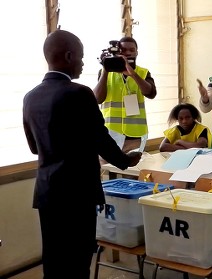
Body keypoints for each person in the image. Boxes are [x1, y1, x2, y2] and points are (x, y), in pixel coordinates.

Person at [22, 30, 142, 279]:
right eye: (81, 57)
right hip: (76, 193)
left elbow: (35, 147)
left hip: (47, 192)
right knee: (78, 260)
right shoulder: (78, 93)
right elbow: (99, 138)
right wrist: (125, 160)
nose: (83, 63)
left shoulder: (30, 97)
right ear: (68, 56)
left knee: (54, 260)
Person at [93, 36, 157, 152]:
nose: (128, 53)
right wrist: (106, 69)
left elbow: (151, 93)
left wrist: (133, 74)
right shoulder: (105, 72)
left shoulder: (143, 72)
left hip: (135, 134)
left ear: (137, 52)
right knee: (108, 169)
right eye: (123, 50)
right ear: (117, 52)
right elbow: (97, 99)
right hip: (110, 132)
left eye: (132, 50)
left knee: (132, 168)